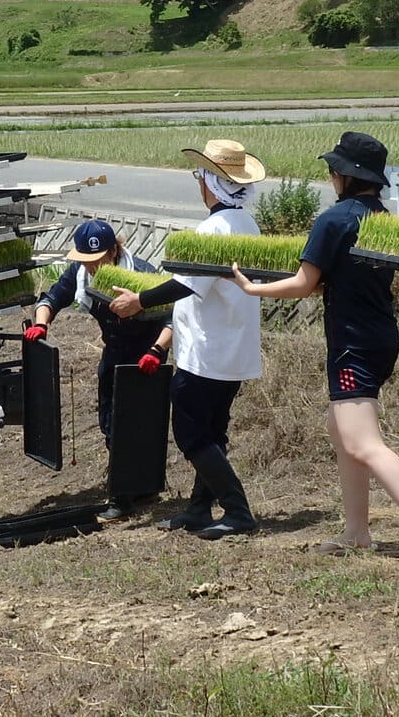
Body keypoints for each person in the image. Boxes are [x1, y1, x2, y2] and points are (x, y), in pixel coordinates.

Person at [231, 132, 399, 567]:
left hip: (352, 343)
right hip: (380, 337)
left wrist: (250, 287)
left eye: (333, 170)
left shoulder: (334, 220)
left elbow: (302, 284)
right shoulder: (383, 219)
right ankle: (356, 532)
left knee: (363, 441)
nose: (331, 176)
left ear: (344, 176)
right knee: (341, 432)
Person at [109, 140, 265, 539]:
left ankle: (237, 510)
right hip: (234, 347)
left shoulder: (213, 229)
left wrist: (138, 300)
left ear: (212, 184)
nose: (199, 185)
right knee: (213, 432)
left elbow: (185, 285)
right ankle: (198, 510)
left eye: (201, 178)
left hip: (207, 350)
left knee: (192, 434)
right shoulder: (248, 223)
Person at [25, 219, 173, 522]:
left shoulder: (142, 274)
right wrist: (42, 323)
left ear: (113, 252)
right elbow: (51, 298)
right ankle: (133, 488)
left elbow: (174, 318)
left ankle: (124, 498)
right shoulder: (80, 274)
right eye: (86, 261)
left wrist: (157, 351)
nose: (91, 267)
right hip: (114, 355)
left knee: (137, 426)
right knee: (110, 423)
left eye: (97, 260)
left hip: (146, 358)